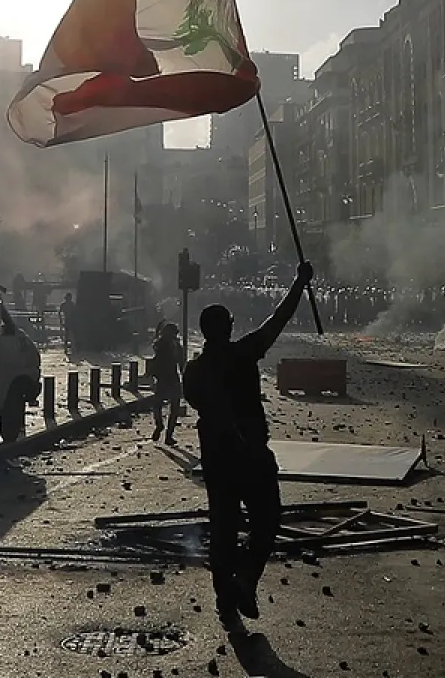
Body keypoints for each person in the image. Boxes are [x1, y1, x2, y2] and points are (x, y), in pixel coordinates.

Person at [183, 259, 314, 634]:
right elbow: (278, 319)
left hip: (216, 459)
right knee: (267, 519)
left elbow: (194, 402)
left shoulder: (194, 370)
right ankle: (247, 579)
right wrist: (299, 284)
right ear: (228, 328)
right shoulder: (243, 354)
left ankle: (227, 601)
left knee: (223, 529)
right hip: (251, 455)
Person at [150, 322, 187, 444]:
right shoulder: (176, 346)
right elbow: (181, 365)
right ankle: (168, 435)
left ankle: (159, 425)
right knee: (174, 408)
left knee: (157, 405)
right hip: (172, 378)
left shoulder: (159, 344)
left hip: (161, 379)